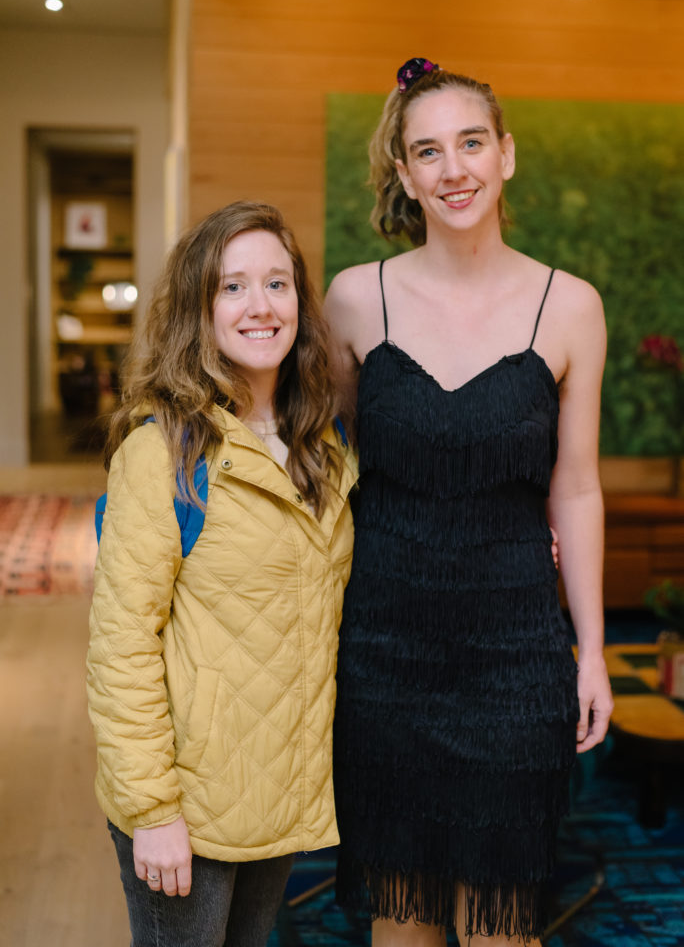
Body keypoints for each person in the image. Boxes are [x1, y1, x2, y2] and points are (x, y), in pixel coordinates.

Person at [324, 59, 614, 947]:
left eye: (471, 143)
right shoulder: (353, 300)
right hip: (384, 653)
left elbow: (576, 485)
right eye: (428, 151)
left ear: (506, 155)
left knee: (501, 927)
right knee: (401, 921)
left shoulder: (570, 307)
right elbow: (324, 462)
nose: (454, 169)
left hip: (515, 656)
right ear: (404, 175)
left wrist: (593, 651)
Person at [86, 201, 357, 947]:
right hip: (186, 806)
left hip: (275, 788)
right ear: (199, 310)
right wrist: (151, 812)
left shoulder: (323, 445)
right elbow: (121, 648)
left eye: (277, 283)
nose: (260, 306)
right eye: (232, 288)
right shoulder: (163, 454)